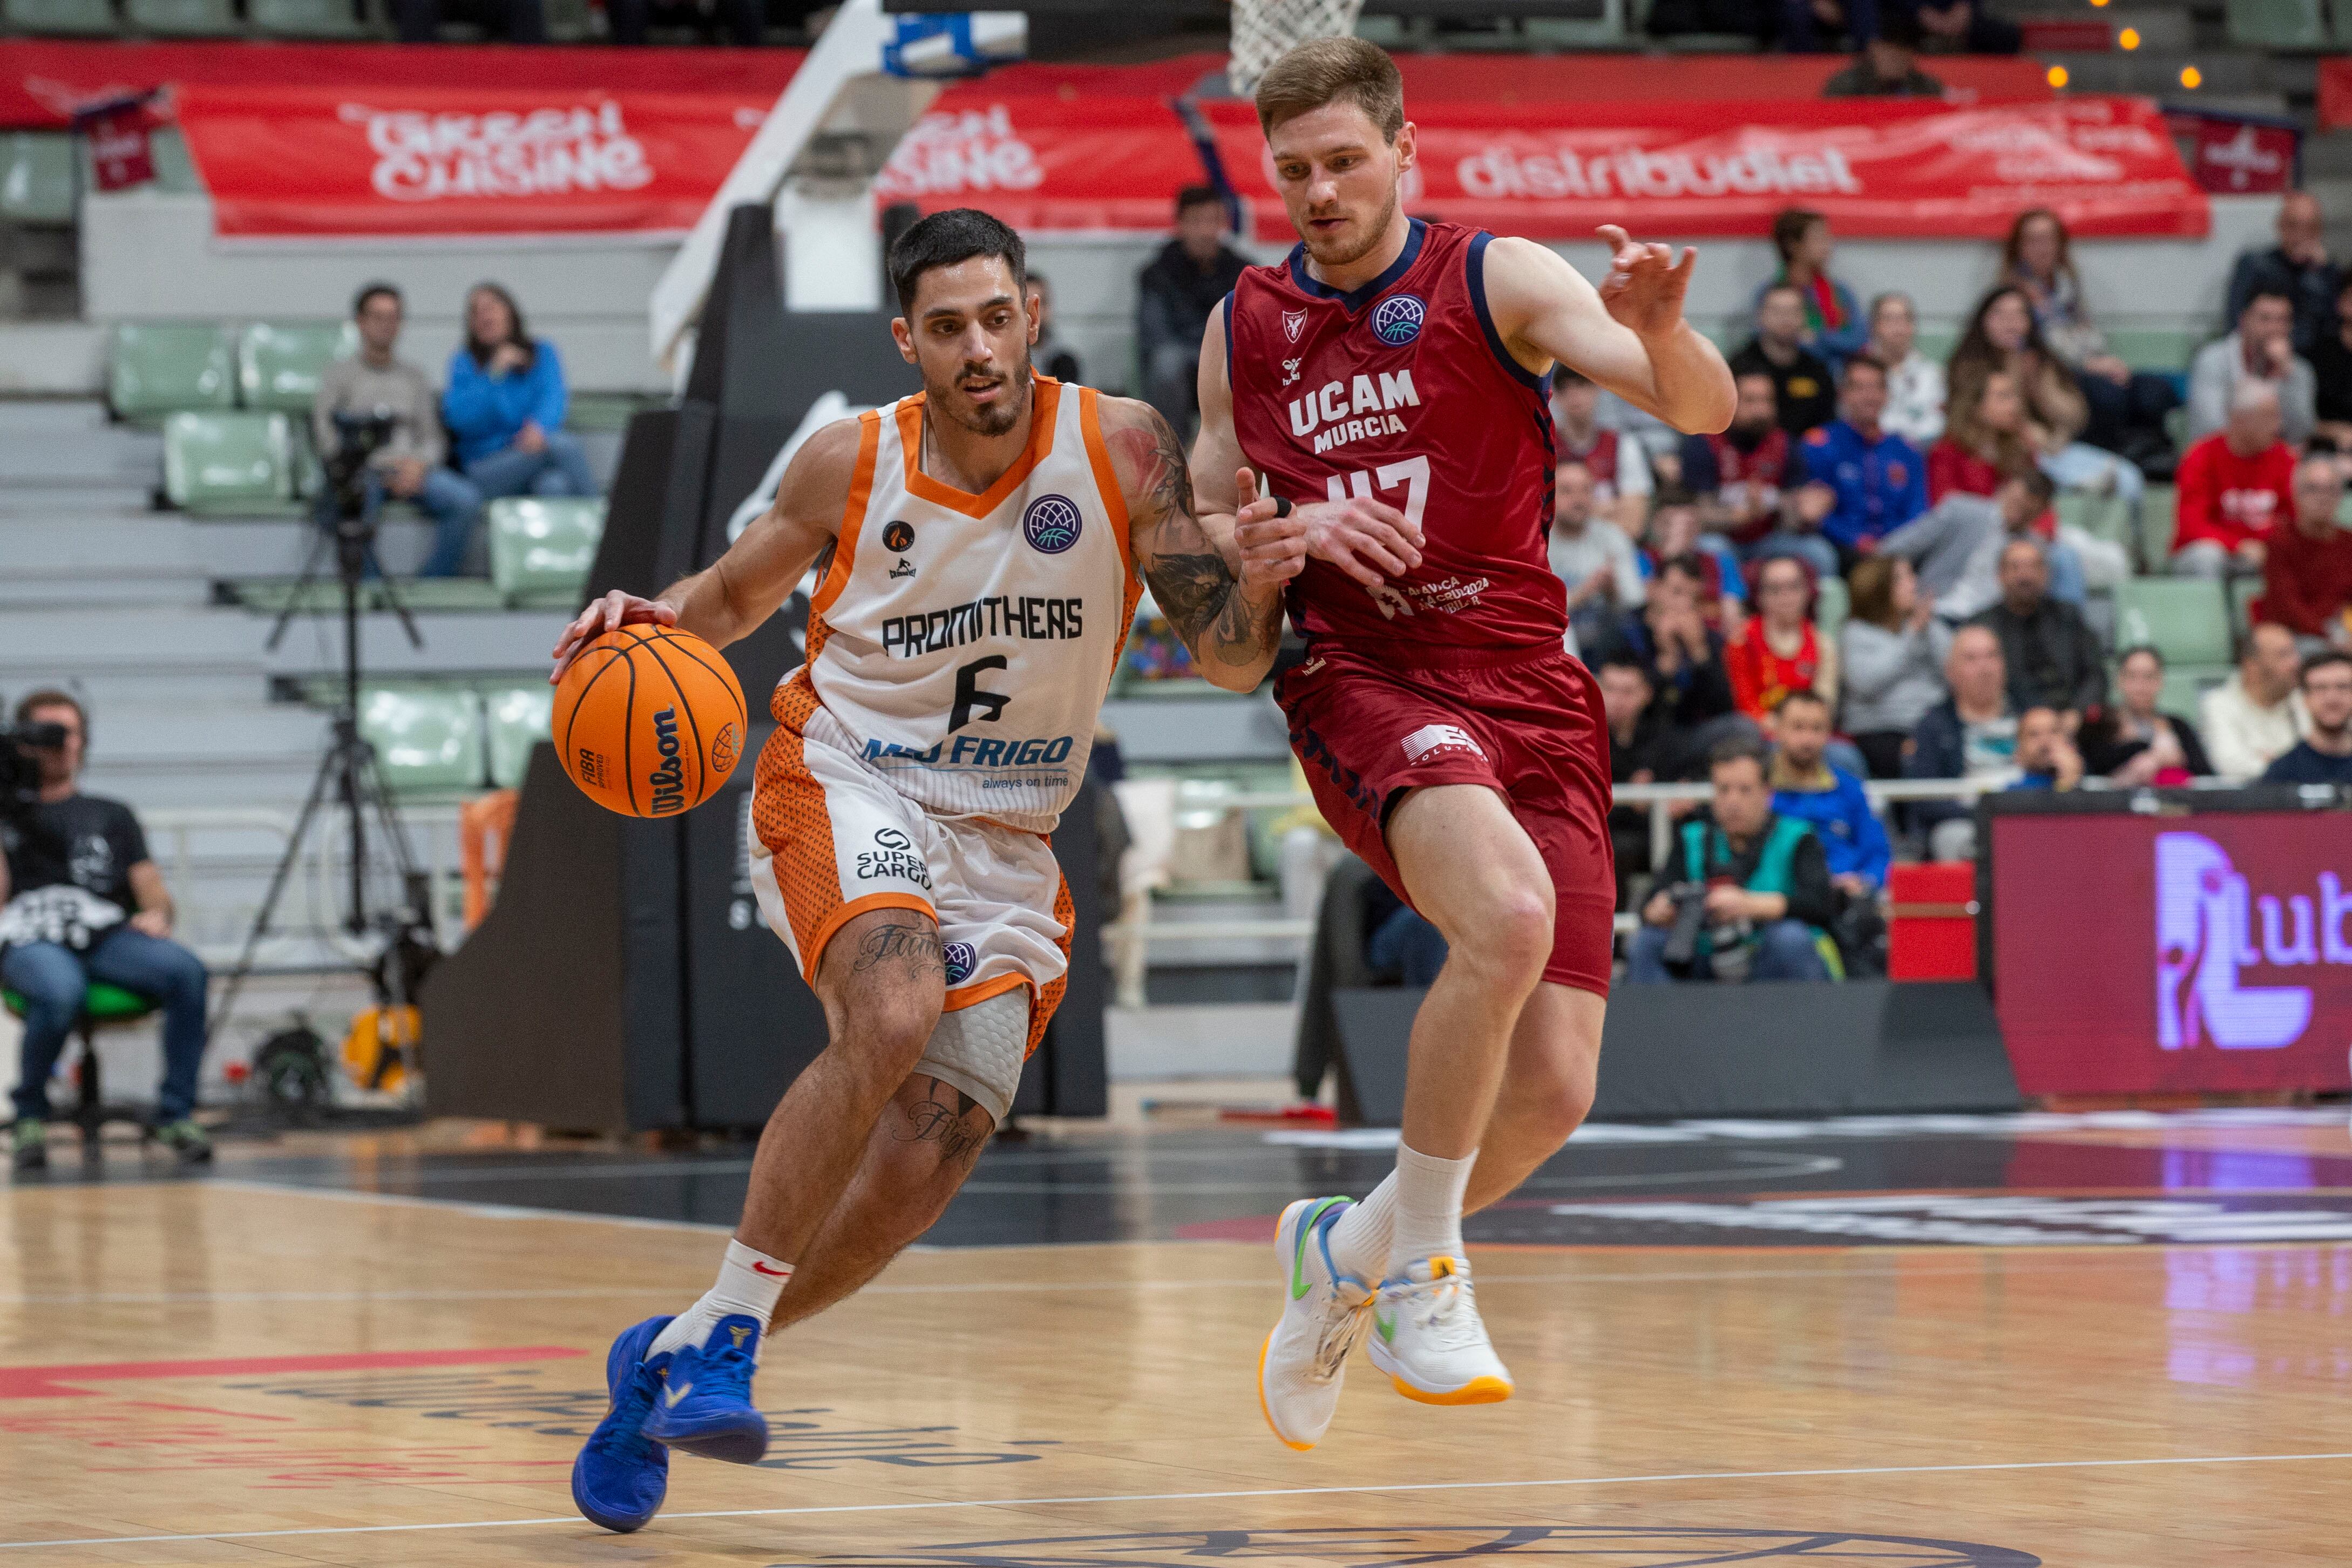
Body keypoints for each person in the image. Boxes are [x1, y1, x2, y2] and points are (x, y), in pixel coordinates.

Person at [551, 208, 1312, 1534]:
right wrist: (648, 618)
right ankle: (726, 1337)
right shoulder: (850, 458)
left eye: (996, 316)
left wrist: (1255, 577)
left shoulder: (1123, 446)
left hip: (1012, 836)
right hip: (850, 772)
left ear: (1032, 311)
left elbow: (1234, 658)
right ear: (908, 341)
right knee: (893, 1013)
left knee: (921, 1168)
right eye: (946, 326)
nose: (977, 346)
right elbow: (733, 598)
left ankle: (689, 1344)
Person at [1205, 36, 1734, 1435]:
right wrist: (1275, 531)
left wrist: (1665, 327)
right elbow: (1194, 532)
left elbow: (1698, 405)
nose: (1318, 191)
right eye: (1294, 170)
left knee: (1556, 1086)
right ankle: (1428, 1270)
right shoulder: (1243, 324)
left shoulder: (1494, 275)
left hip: (1526, 684)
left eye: (1342, 162)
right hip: (1362, 675)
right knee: (1500, 916)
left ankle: (1348, 1249)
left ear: (1403, 149)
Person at [0, 691, 212, 1171]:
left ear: (84, 742)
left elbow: (152, 889)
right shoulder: (7, 812)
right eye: (43, 734)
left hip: (105, 936)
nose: (57, 745)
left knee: (186, 971)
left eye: (67, 733)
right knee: (60, 990)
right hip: (31, 937)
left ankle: (177, 1114)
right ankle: (30, 1112)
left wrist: (157, 912)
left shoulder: (112, 814)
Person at [1626, 737, 1836, 983]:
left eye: (1745, 790)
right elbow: (1652, 901)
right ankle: (1657, 1023)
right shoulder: (1693, 837)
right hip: (1703, 959)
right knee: (1649, 941)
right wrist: (1657, 910)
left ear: (1767, 794)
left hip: (1767, 957)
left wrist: (1749, 906)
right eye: (1723, 790)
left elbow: (1822, 905)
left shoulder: (1798, 836)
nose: (1733, 801)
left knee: (1790, 940)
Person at [313, 282, 482, 579]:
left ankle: (431, 585)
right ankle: (371, 589)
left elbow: (432, 437)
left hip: (414, 469)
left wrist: (418, 466)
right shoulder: (339, 375)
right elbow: (326, 436)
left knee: (465, 499)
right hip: (365, 470)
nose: (386, 325)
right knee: (355, 499)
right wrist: (380, 465)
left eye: (393, 317)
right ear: (360, 323)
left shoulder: (415, 377)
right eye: (377, 317)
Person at [2001, 208, 2178, 466]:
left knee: (2155, 391)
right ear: (2018, 247)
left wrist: (2106, 363)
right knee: (2108, 394)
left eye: (2050, 239)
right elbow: (2032, 353)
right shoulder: (2013, 298)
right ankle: (2118, 457)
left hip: (2092, 364)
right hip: (2053, 377)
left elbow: (2091, 337)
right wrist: (2088, 366)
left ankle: (2150, 456)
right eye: (2034, 240)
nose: (2044, 248)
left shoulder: (2067, 289)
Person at [1947, 285, 2141, 505]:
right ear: (1983, 319)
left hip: (2054, 448)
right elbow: (1982, 422)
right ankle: (2077, 482)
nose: (2010, 322)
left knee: (2130, 480)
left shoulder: (2040, 359)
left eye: (2019, 314)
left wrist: (2038, 387)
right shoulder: (1968, 366)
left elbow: (2076, 417)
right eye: (2000, 313)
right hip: (2000, 452)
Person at [442, 283, 598, 517]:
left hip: (534, 455)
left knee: (554, 487)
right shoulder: (464, 363)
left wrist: (540, 429)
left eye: (490, 307)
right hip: (486, 469)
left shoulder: (542, 352)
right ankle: (609, 532)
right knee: (564, 444)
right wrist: (493, 375)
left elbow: (553, 397)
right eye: (475, 312)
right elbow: (461, 420)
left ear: (510, 312)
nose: (484, 316)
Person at [1678, 371, 1831, 574]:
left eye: (1766, 400)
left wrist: (1805, 511)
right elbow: (1701, 515)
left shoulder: (1786, 445)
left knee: (1819, 552)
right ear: (1729, 403)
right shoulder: (1705, 444)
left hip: (1769, 539)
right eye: (1750, 401)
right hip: (1725, 539)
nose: (1760, 410)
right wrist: (1744, 515)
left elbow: (1791, 520)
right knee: (1710, 548)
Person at [1881, 468, 2083, 620]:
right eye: (2017, 503)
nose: (2019, 513)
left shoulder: (2035, 548)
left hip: (1995, 629)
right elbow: (1893, 549)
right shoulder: (1961, 511)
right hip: (1938, 610)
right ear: (2007, 488)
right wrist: (1909, 589)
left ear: (2041, 512)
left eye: (2028, 511)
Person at [1792, 355, 1928, 561]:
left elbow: (1917, 511)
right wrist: (1857, 540)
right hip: (1844, 549)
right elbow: (1817, 513)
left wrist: (1894, 545)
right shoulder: (1821, 444)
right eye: (1860, 388)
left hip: (1899, 550)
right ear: (1844, 394)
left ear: (1887, 395)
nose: (1870, 396)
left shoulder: (1906, 451)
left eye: (1877, 388)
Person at [1136, 185, 1249, 432]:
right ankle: (1171, 450)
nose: (1205, 232)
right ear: (1180, 224)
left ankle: (1248, 448)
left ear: (1224, 223)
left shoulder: (1244, 273)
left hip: (1226, 363)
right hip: (1181, 368)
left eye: (1213, 221)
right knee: (1166, 362)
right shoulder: (1157, 274)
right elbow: (1155, 337)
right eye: (1196, 221)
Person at [1904, 623, 2017, 861]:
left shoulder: (2032, 717)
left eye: (1992, 656)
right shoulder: (1932, 725)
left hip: (2027, 817)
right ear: (1950, 671)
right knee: (1956, 838)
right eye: (1971, 659)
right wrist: (1986, 812)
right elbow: (1923, 799)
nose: (1984, 667)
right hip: (1965, 823)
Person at [1768, 688, 1890, 895]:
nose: (1807, 739)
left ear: (1828, 733)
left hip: (1845, 898)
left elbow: (1877, 853)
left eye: (1817, 729)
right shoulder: (1761, 790)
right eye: (1798, 728)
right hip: (1783, 900)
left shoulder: (1850, 788)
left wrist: (1865, 882)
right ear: (1777, 729)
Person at [2170, 380, 2295, 580]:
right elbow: (2191, 525)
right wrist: (2239, 545)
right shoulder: (2202, 456)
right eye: (2268, 417)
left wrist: (2269, 548)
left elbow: (2294, 520)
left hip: (2267, 553)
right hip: (2212, 554)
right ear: (2239, 419)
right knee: (2207, 556)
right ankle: (2207, 612)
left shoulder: (2285, 458)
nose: (2277, 425)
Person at [1969, 536, 2102, 722]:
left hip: (2073, 722)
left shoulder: (2068, 616)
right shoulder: (1983, 628)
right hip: (2012, 724)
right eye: (2015, 568)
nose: (2024, 576)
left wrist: (2077, 713)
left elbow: (2095, 674)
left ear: (2046, 574)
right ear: (2000, 576)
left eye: (2033, 567)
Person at [1617, 554, 1744, 744]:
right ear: (1654, 589)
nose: (1685, 605)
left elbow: (1723, 709)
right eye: (1677, 592)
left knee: (1739, 729)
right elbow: (1624, 706)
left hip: (1690, 734)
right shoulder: (1625, 631)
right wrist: (1666, 660)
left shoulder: (1708, 638)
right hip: (1639, 736)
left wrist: (1699, 652)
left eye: (1693, 598)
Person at [1840, 555, 1947, 778]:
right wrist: (1913, 634)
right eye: (1903, 578)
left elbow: (1955, 671)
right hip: (1882, 732)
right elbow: (1866, 684)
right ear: (1879, 588)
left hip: (1933, 726)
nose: (1914, 583)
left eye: (1912, 575)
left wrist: (1928, 628)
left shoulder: (1925, 626)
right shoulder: (1857, 633)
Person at [2187, 287, 2316, 449]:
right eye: (2264, 319)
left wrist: (2288, 375)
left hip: (2276, 465)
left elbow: (2301, 434)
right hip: (2221, 461)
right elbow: (2209, 427)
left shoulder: (2299, 370)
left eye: (2282, 320)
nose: (2274, 328)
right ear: (2243, 320)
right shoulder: (2213, 359)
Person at [2251, 455, 2352, 646]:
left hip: (2343, 635)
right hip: (2296, 638)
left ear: (2340, 496)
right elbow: (2289, 608)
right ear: (2296, 494)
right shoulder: (2280, 542)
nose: (2322, 497)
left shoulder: (2348, 543)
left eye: (2331, 489)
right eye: (2313, 489)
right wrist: (2334, 638)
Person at [2225, 190, 2340, 358]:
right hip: (2255, 358)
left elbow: (2326, 333)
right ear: (2280, 226)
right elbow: (2235, 323)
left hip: (2310, 364)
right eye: (2293, 225)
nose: (2301, 235)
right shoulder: (2255, 265)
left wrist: (2315, 275)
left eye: (2310, 227)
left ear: (2320, 231)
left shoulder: (2328, 274)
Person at [1727, 555, 1839, 727]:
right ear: (1759, 596)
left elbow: (1824, 705)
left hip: (1808, 732)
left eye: (1794, 587)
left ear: (1808, 592)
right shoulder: (1741, 640)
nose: (1786, 596)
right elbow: (1745, 706)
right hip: (1758, 733)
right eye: (1775, 589)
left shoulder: (1823, 643)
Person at [2078, 646, 2213, 786]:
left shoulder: (2178, 725)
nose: (2140, 686)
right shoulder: (2102, 723)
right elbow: (2094, 766)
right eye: (2132, 676)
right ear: (2119, 680)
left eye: (2149, 677)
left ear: (2160, 681)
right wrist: (2157, 755)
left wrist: (2169, 757)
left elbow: (2206, 775)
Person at [1550, 458, 1644, 655]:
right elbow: (1534, 612)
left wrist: (1612, 591)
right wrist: (1585, 592)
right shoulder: (1536, 542)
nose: (1578, 500)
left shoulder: (1613, 537)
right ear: (1550, 495)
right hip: (1553, 643)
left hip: (1608, 644)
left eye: (1585, 490)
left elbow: (1636, 603)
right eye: (1567, 491)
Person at [2199, 621, 2309, 781]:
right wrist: (2289, 765)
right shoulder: (2218, 704)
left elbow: (2322, 757)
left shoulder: (2302, 699)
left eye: (2295, 653)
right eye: (2284, 655)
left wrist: (2271, 761)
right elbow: (2231, 768)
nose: (2296, 663)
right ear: (2252, 666)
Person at [1759, 209, 1867, 372]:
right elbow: (1771, 344)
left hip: (1840, 381)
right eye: (1819, 239)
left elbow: (1858, 339)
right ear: (1793, 245)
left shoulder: (1840, 292)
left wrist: (1817, 339)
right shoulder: (1772, 294)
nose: (1828, 246)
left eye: (1827, 238)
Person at [1552, 368, 1653, 534]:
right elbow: (1539, 519)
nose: (1574, 395)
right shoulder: (1544, 446)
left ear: (1596, 389)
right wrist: (1608, 508)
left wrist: (1569, 509)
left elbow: (1634, 524)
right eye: (1564, 388)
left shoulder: (1623, 445)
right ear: (1555, 396)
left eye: (1582, 385)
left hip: (1610, 552)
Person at [1730, 283, 1837, 437]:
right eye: (1777, 311)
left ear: (1804, 318)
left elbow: (1827, 428)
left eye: (1793, 311)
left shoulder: (1817, 370)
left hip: (1803, 455)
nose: (1786, 319)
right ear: (1761, 316)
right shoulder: (1739, 367)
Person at [1927, 367, 2033, 504]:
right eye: (2003, 397)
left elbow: (2041, 509)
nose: (2015, 406)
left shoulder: (2021, 450)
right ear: (1975, 406)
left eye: (2014, 396)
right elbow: (1947, 509)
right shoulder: (1947, 453)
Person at [2261, 650, 2352, 785]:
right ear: (2305, 698)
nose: (2332, 698)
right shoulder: (2281, 773)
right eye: (2320, 688)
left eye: (2343, 687)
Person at [1868, 291, 1945, 448]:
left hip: (1925, 451)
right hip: (1875, 452)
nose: (1898, 326)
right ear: (1874, 326)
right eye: (1889, 319)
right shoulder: (1862, 374)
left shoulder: (1933, 373)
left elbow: (1940, 422)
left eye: (1905, 318)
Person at [1821, 10, 1946, 97]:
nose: (1896, 58)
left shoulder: (1927, 88)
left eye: (1902, 51)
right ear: (1873, 50)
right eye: (1889, 52)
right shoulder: (1845, 87)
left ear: (1912, 56)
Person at [2310, 274, 2352, 454]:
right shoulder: (2317, 353)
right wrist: (2335, 431)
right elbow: (2301, 421)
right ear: (2340, 303)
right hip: (2324, 450)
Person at [1024, 271, 1084, 384]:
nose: (1034, 312)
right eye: (1026, 304)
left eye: (1039, 304)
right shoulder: (1002, 361)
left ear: (1048, 308)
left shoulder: (1064, 362)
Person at [2007, 704, 2083, 792]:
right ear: (2019, 749)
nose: (2045, 741)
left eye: (2053, 731)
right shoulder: (2012, 791)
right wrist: (2066, 783)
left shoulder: (2092, 784)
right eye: (2034, 734)